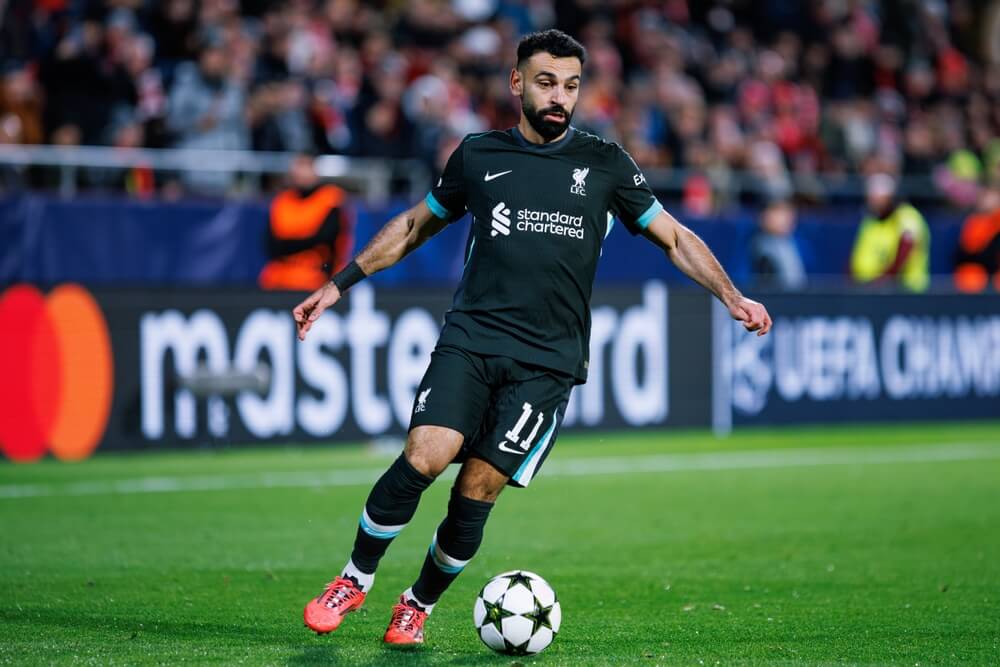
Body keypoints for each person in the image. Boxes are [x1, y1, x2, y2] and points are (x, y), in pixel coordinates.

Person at [292, 30, 772, 648]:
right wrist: (340, 284)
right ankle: (353, 580)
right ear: (517, 82)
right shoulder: (478, 155)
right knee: (425, 454)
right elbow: (414, 226)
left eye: (571, 86)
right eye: (547, 83)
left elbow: (674, 237)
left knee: (477, 490)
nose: (559, 97)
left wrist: (731, 296)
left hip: (547, 363)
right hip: (472, 339)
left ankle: (416, 605)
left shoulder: (605, 163)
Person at [259, 153, 352, 290]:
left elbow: (324, 238)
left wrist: (289, 244)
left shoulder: (330, 199)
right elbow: (272, 245)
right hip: (280, 276)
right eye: (299, 165)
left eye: (307, 166)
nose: (302, 172)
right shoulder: (282, 201)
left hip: (316, 276)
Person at [850, 173, 930, 292]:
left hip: (905, 290)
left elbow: (906, 247)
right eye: (871, 198)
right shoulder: (870, 220)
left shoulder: (907, 216)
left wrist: (885, 280)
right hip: (870, 288)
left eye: (878, 198)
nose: (874, 202)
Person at [750, 198, 807, 290]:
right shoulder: (756, 245)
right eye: (779, 214)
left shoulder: (799, 244)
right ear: (764, 217)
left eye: (790, 214)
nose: (787, 219)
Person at [953, 186, 1000, 292]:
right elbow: (967, 251)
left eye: (989, 196)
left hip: (995, 270)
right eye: (983, 196)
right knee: (970, 277)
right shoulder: (974, 222)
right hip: (978, 269)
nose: (985, 200)